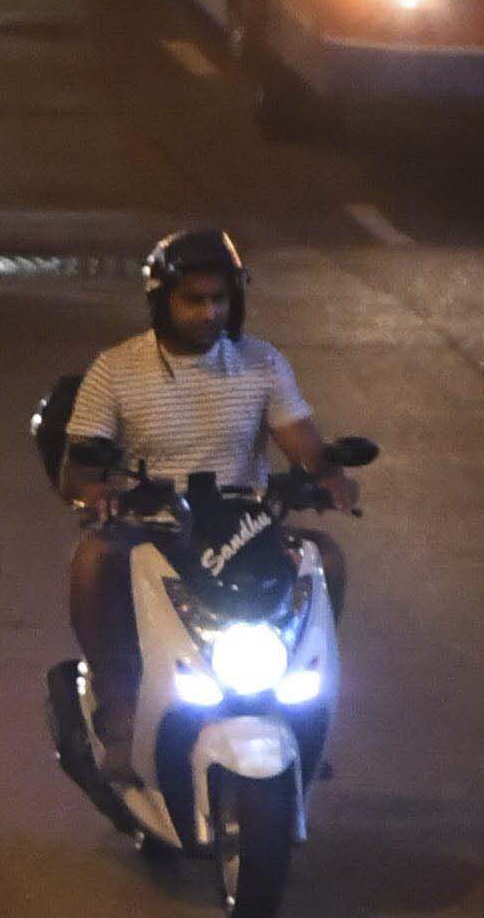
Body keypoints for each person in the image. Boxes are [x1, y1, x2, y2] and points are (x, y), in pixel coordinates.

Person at [57, 226, 327, 761]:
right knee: (93, 559)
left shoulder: (262, 363)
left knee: (326, 562)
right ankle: (118, 705)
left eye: (219, 300)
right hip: (152, 525)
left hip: (243, 523)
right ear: (161, 302)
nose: (209, 313)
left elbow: (304, 446)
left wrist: (327, 476)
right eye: (194, 301)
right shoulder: (115, 370)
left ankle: (303, 710)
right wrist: (98, 491)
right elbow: (76, 475)